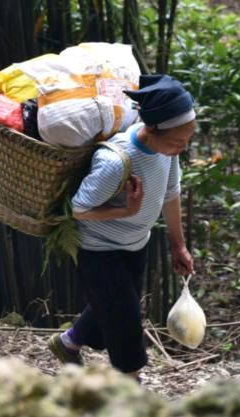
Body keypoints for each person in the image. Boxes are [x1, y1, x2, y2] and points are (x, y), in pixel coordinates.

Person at [48, 74, 196, 381]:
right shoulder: (116, 160)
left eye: (187, 140)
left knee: (112, 308)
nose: (182, 148)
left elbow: (170, 195)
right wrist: (125, 209)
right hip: (99, 253)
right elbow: (78, 209)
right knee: (127, 325)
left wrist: (177, 245)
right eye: (177, 141)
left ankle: (68, 342)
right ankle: (130, 388)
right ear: (152, 129)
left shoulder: (167, 152)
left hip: (135, 245)